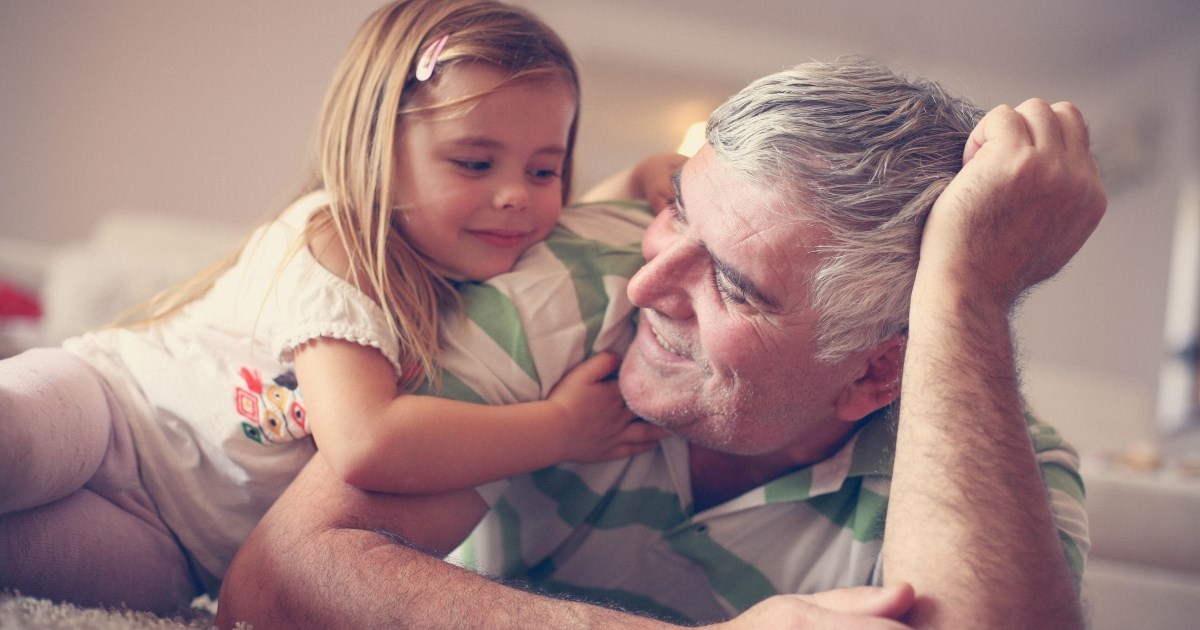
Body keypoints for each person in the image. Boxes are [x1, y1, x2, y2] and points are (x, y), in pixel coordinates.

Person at [216, 57, 1105, 628]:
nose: (647, 285)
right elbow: (275, 579)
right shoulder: (576, 277)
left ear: (878, 368)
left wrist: (967, 292)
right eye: (676, 205)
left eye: (730, 282)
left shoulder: (1002, 459)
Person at [0, 0, 673, 613]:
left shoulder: (483, 263)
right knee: (19, 439)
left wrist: (646, 178)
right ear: (378, 146)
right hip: (116, 410)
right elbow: (365, 442)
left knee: (25, 557)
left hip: (183, 550)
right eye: (474, 164)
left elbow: (582, 227)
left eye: (543, 170)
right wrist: (558, 428)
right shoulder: (340, 240)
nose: (515, 197)